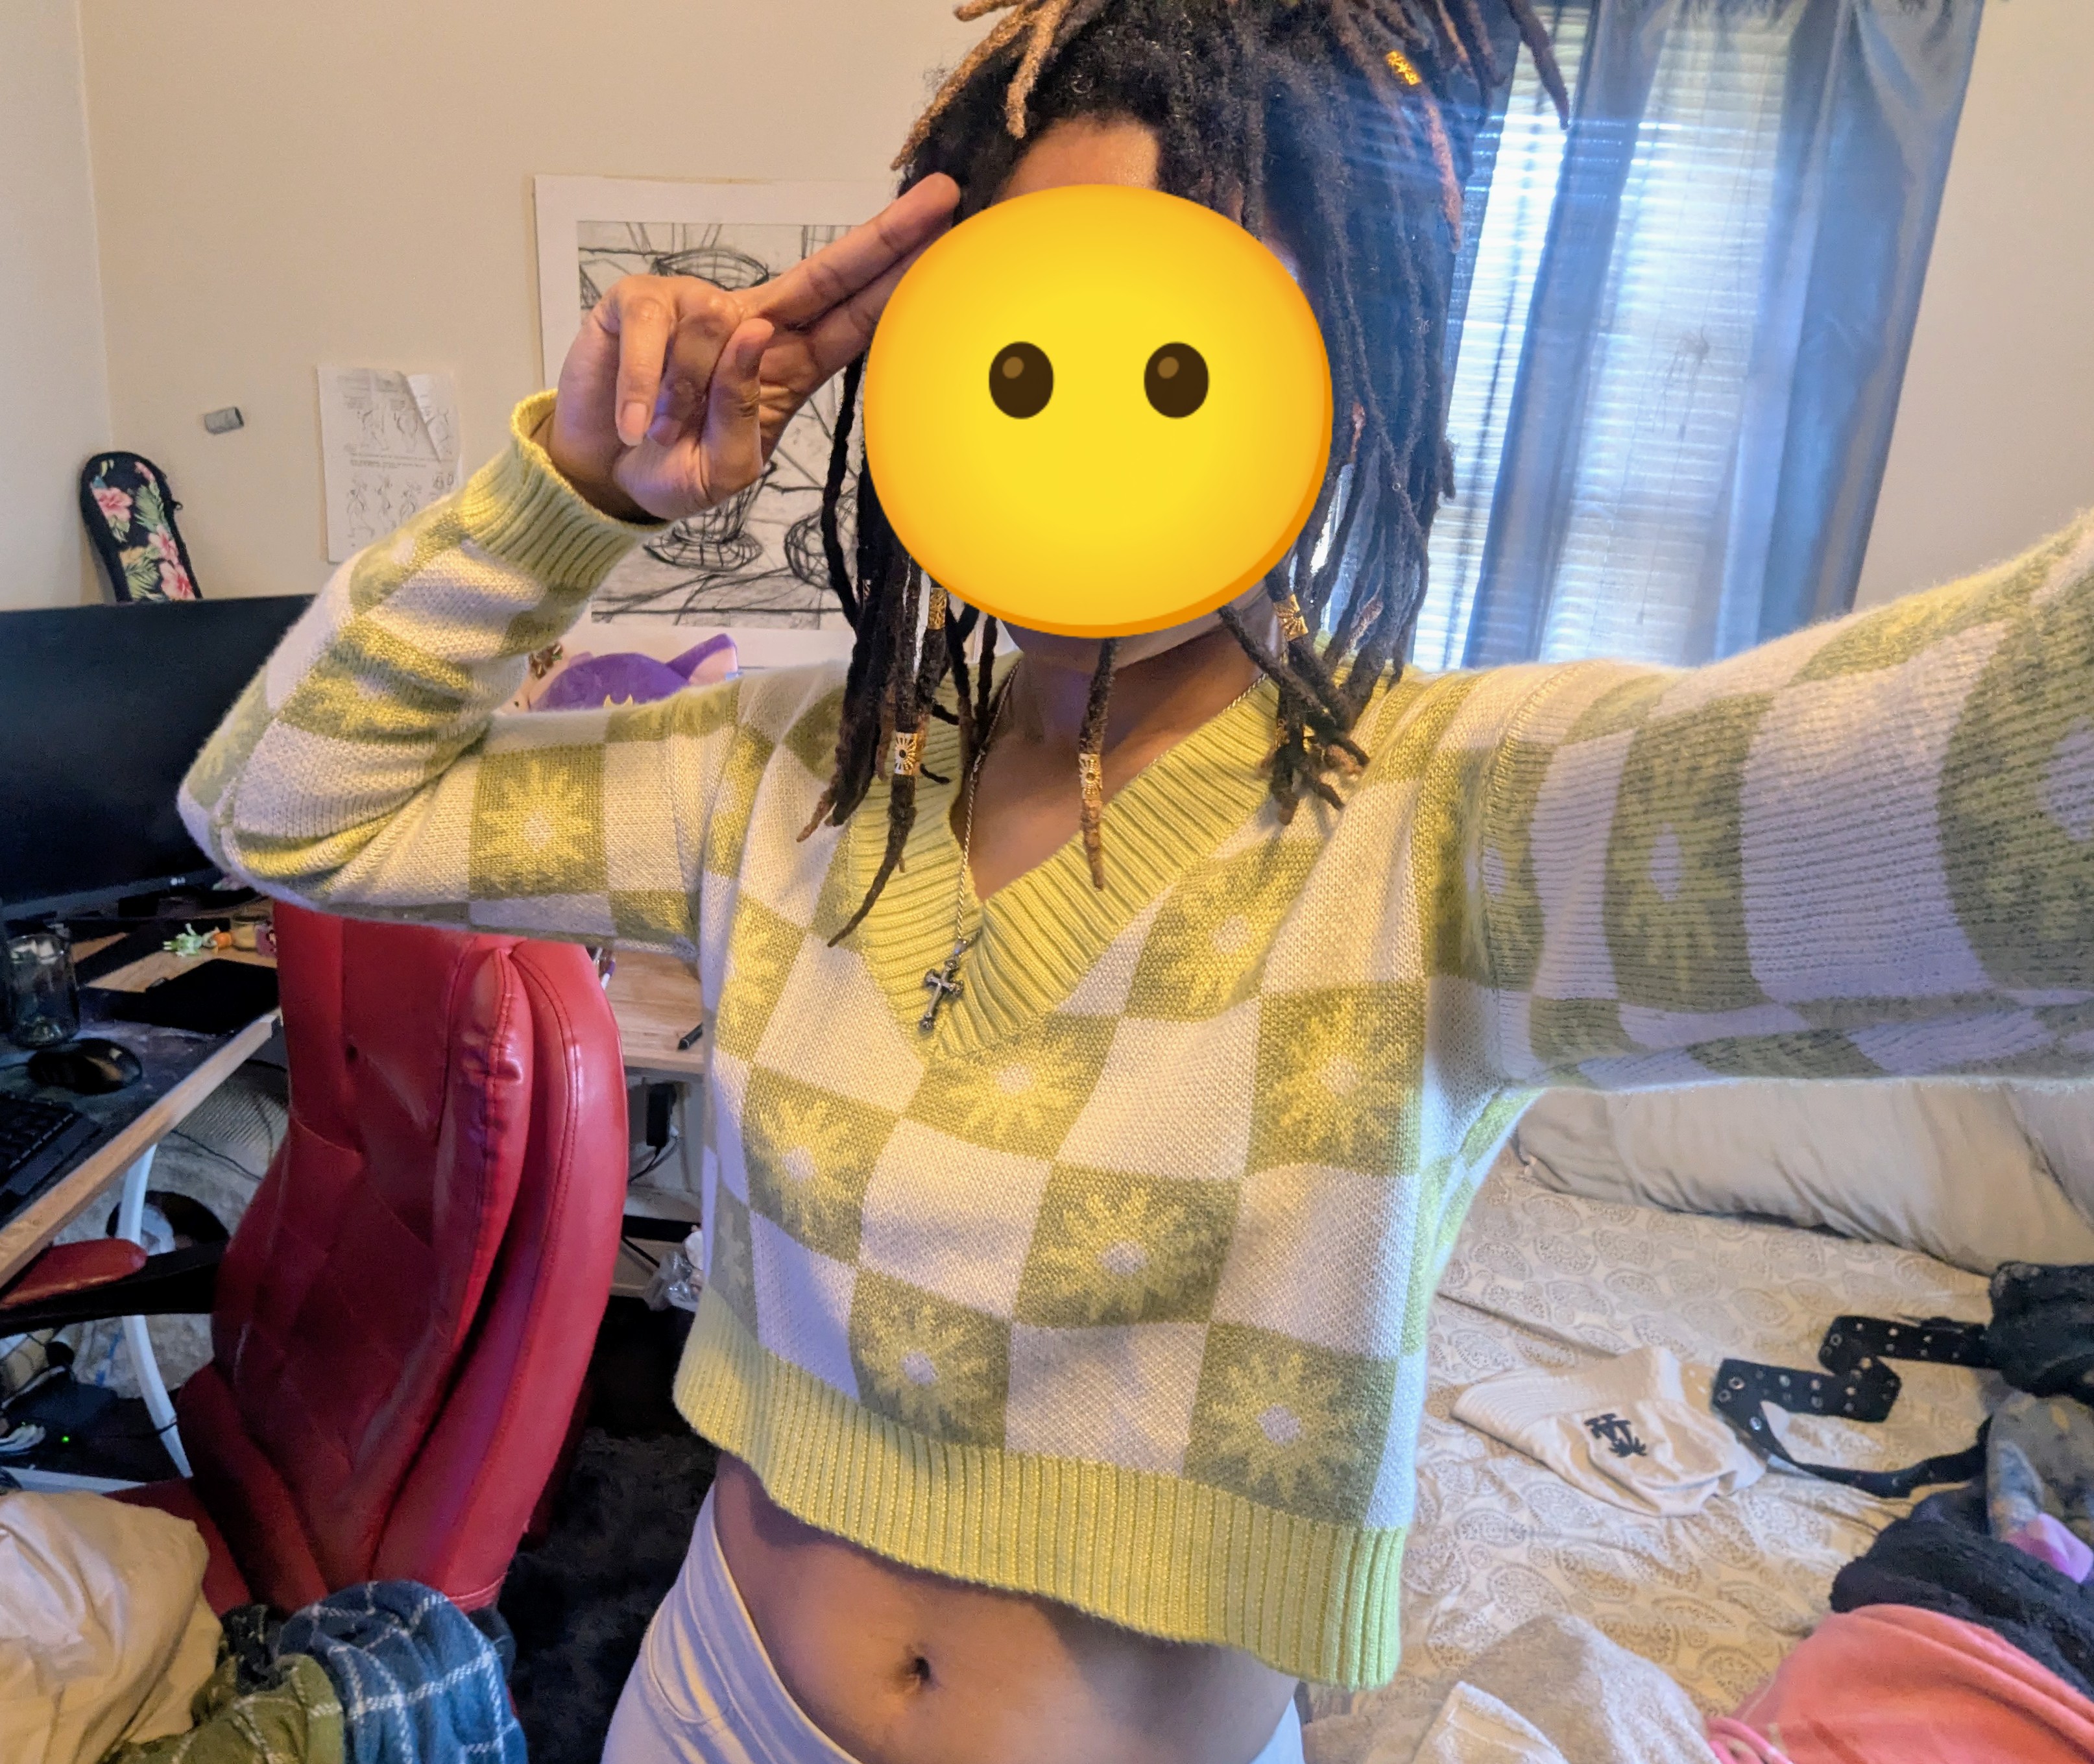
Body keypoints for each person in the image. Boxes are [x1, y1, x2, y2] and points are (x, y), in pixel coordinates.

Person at [179, 3, 2094, 1762]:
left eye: (1179, 352)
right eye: (1032, 344)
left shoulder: (1454, 823)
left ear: (1340, 373)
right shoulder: (778, 772)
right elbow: (284, 809)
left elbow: (2018, 787)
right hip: (709, 1698)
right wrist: (576, 493)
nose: (1098, 427)